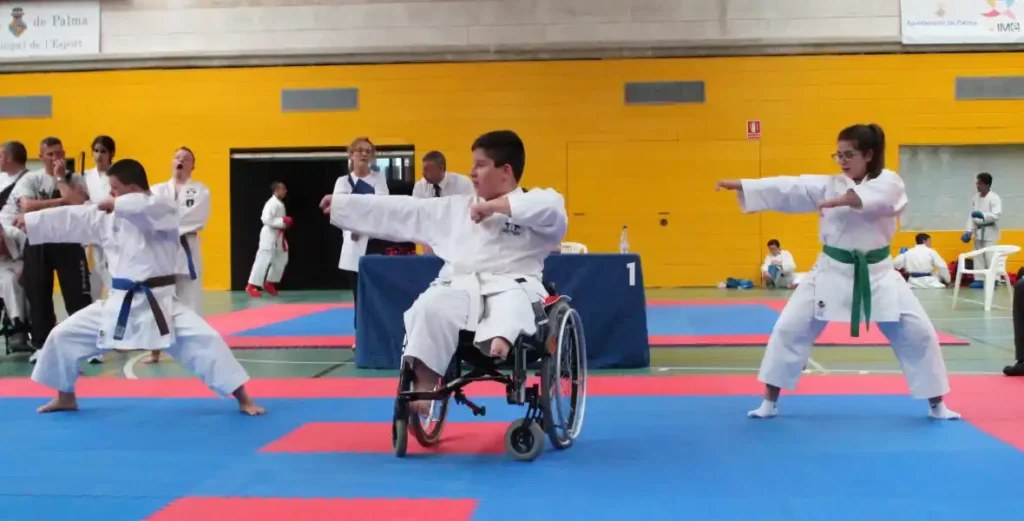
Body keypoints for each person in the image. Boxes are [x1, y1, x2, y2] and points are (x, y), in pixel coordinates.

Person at [714, 123, 960, 421]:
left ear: (869, 155)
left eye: (849, 154)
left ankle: (937, 405)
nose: (842, 160)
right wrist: (743, 184)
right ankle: (769, 401)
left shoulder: (890, 181)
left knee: (919, 334)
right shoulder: (830, 183)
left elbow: (875, 198)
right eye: (838, 154)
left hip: (879, 274)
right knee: (788, 329)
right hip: (829, 271)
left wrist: (838, 201)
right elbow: (789, 186)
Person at [320, 130, 567, 416]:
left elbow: (552, 209)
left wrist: (491, 207)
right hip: (461, 286)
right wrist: (344, 206)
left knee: (514, 303)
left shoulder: (535, 203)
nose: (472, 172)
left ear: (506, 170)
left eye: (481, 164)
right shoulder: (458, 207)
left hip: (516, 283)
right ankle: (424, 386)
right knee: (429, 306)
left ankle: (502, 338)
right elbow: (404, 210)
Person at [19, 158, 264, 415]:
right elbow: (75, 218)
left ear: (134, 189)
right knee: (63, 335)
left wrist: (118, 203)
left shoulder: (163, 209)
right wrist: (33, 221)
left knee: (207, 340)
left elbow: (146, 207)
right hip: (119, 302)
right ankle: (66, 396)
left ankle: (244, 398)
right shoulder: (109, 216)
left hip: (160, 305)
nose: (111, 195)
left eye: (115, 189)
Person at [12, 137, 93, 363]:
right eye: (51, 154)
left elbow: (77, 203)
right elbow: (26, 205)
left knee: (77, 295)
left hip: (68, 241)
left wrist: (60, 179)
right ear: (41, 157)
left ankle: (85, 345)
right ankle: (42, 344)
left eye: (59, 153)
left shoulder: (74, 178)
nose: (56, 158)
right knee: (39, 295)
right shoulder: (31, 178)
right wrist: (60, 202)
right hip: (38, 242)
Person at [149, 147, 211, 364]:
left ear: (192, 166)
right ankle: (156, 350)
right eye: (177, 157)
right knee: (159, 300)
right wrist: (165, 223)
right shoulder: (156, 191)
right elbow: (150, 216)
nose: (181, 161)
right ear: (171, 162)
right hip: (161, 252)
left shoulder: (201, 191)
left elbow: (197, 218)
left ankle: (194, 347)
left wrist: (166, 224)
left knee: (189, 301)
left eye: (186, 159)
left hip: (186, 250)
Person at [333, 137, 389, 338]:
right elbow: (339, 211)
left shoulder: (378, 179)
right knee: (359, 295)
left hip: (375, 242)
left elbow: (382, 206)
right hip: (353, 244)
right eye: (360, 151)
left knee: (378, 293)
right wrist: (351, 225)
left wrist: (359, 217)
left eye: (368, 151)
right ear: (351, 155)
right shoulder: (342, 182)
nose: (364, 154)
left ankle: (379, 334)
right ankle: (361, 335)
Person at [412, 151, 475, 255]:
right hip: (432, 241)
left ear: (441, 168)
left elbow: (469, 215)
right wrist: (425, 243)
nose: (423, 173)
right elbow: (418, 217)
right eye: (423, 169)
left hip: (459, 239)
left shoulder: (463, 184)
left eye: (427, 169)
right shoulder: (420, 186)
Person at [246, 181, 291, 297]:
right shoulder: (271, 203)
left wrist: (285, 223)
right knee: (263, 259)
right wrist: (282, 221)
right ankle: (251, 285)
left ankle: (269, 282)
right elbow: (265, 219)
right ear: (276, 190)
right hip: (269, 234)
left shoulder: (279, 204)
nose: (285, 191)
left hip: (278, 235)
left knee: (282, 258)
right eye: (283, 189)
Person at [962, 173, 1001, 288]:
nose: (977, 186)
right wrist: (968, 231)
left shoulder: (994, 198)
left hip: (989, 230)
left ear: (986, 184)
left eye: (979, 183)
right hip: (978, 230)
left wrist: (983, 215)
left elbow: (996, 215)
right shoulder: (976, 197)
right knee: (977, 255)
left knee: (990, 255)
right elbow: (971, 215)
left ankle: (994, 279)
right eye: (977, 183)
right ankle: (979, 279)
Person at [0, 223, 29, 350]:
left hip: (22, 263)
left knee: (29, 283)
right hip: (2, 267)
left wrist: (26, 270)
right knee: (9, 281)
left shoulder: (15, 234)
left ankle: (25, 326)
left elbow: (31, 254)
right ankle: (16, 320)